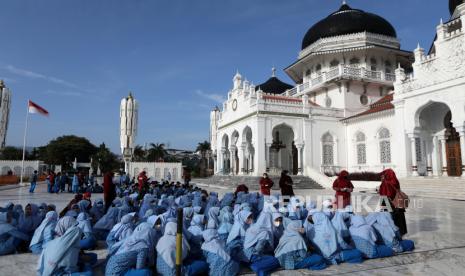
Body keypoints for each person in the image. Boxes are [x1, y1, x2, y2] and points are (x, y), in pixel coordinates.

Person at [379, 169, 408, 236]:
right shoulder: (395, 181)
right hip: (398, 202)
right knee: (400, 218)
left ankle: (393, 234)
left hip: (388, 202)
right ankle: (401, 232)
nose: (382, 176)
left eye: (384, 175)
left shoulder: (386, 182)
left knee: (390, 218)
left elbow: (387, 194)